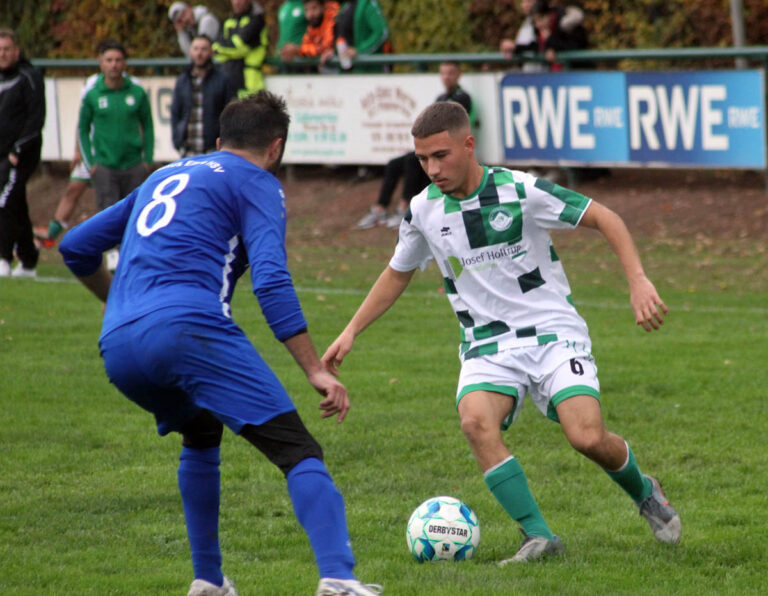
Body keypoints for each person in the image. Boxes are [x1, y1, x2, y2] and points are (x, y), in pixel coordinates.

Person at [323, 101, 682, 564]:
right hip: (487, 344)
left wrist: (637, 280)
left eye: (441, 155)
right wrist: (352, 330)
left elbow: (604, 217)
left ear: (468, 145)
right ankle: (538, 536)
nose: (432, 169)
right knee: (475, 421)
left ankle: (644, 490)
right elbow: (398, 272)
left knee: (587, 437)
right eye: (422, 159)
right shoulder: (422, 210)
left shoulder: (519, 189)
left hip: (553, 332)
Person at [58, 91, 382, 596]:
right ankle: (339, 579)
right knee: (298, 449)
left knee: (202, 432)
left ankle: (208, 582)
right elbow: (272, 280)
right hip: (190, 328)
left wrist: (115, 303)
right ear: (275, 149)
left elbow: (75, 248)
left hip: (118, 344)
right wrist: (314, 369)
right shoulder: (258, 182)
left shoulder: (163, 176)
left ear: (216, 141)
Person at [355, 61, 475, 230]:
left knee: (413, 161)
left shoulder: (463, 98)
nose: (446, 77)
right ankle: (380, 208)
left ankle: (405, 207)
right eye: (443, 73)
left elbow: (456, 129)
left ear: (458, 75)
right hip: (433, 145)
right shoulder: (440, 98)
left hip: (445, 148)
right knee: (393, 163)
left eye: (450, 73)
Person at [78, 39, 153, 270]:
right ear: (101, 63)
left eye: (118, 60)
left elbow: (148, 126)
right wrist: (90, 163)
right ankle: (111, 253)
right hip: (105, 164)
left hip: (133, 164)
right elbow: (82, 128)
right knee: (108, 211)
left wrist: (147, 160)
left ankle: (131, 252)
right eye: (109, 60)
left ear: (125, 63)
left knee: (135, 210)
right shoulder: (92, 95)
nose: (114, 65)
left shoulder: (137, 92)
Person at [0, 28, 45, 278]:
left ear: (16, 51)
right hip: (1, 154)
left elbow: (36, 118)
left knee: (4, 201)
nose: (3, 54)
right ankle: (28, 260)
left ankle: (4, 258)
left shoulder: (29, 77)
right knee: (16, 204)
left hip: (19, 154)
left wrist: (19, 148)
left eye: (7, 49)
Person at [171, 34, 237, 157]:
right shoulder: (183, 80)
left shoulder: (224, 80)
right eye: (196, 49)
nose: (199, 53)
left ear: (211, 52)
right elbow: (175, 113)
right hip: (188, 151)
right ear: (190, 52)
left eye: (204, 49)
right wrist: (177, 140)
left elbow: (231, 115)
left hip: (213, 150)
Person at [499, 0, 584, 72]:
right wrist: (515, 48)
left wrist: (551, 41)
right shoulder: (539, 29)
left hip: (579, 73)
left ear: (549, 15)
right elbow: (535, 47)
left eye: (541, 19)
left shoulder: (565, 24)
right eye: (535, 21)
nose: (538, 24)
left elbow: (575, 46)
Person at [214, 0, 269, 98]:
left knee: (252, 111)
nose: (236, 2)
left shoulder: (257, 20)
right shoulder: (228, 21)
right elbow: (216, 49)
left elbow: (239, 48)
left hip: (250, 82)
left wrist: (221, 49)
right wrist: (221, 49)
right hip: (229, 78)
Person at [280, 0, 340, 73]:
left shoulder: (331, 17)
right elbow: (307, 43)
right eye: (306, 10)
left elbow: (324, 47)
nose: (310, 14)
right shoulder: (313, 24)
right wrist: (296, 50)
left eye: (314, 8)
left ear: (323, 7)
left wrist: (298, 50)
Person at [333, 0, 391, 72]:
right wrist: (332, 51)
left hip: (368, 71)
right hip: (345, 69)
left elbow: (381, 32)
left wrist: (359, 50)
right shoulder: (344, 6)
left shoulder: (367, 4)